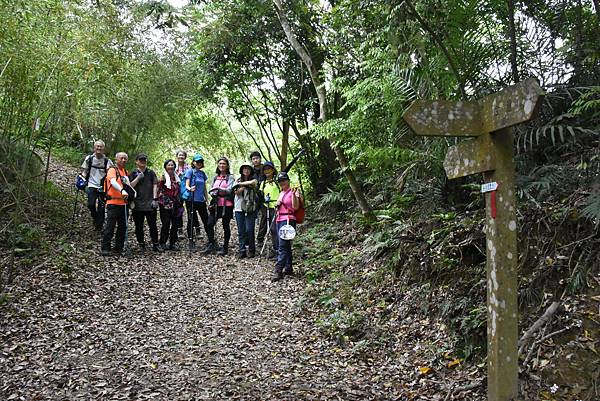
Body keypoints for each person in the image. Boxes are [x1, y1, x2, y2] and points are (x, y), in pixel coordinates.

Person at [272, 172, 303, 281]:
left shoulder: (293, 192)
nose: (282, 183)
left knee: (282, 245)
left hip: (288, 220)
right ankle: (288, 267)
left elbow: (295, 207)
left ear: (288, 180)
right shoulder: (281, 192)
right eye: (280, 181)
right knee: (286, 245)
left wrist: (294, 195)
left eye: (284, 180)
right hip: (279, 219)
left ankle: (279, 269)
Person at [128, 153, 162, 253]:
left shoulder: (151, 172)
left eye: (144, 160)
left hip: (150, 203)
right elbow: (130, 186)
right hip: (137, 204)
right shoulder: (133, 173)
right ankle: (141, 244)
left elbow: (155, 185)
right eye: (141, 160)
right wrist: (138, 178)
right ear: (136, 161)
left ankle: (155, 244)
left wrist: (155, 199)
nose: (143, 161)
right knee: (139, 226)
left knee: (153, 225)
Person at [101, 152, 130, 256]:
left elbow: (129, 186)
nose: (123, 160)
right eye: (121, 158)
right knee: (110, 226)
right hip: (113, 202)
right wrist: (122, 190)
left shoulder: (125, 172)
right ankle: (105, 247)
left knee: (123, 227)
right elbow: (113, 182)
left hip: (124, 204)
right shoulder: (112, 170)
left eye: (125, 158)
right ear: (116, 159)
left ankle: (119, 247)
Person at [80, 140, 113, 232]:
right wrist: (81, 178)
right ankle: (95, 218)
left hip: (103, 187)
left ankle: (99, 226)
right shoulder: (89, 158)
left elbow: (110, 173)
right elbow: (85, 171)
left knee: (101, 208)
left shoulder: (107, 161)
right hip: (91, 184)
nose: (99, 148)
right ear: (94, 148)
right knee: (90, 204)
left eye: (101, 147)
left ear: (104, 149)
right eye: (97, 146)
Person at [206, 157, 235, 255]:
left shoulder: (230, 177)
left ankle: (225, 247)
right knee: (209, 223)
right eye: (220, 164)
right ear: (218, 165)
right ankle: (212, 243)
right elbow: (211, 189)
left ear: (227, 166)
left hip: (227, 205)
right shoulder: (215, 177)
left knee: (225, 225)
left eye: (224, 164)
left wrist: (219, 190)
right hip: (216, 204)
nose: (222, 165)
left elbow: (230, 190)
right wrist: (214, 192)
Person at [184, 154, 211, 252]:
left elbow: (204, 188)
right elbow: (187, 185)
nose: (199, 163)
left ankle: (211, 240)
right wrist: (190, 188)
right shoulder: (190, 171)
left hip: (201, 200)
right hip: (191, 200)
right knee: (191, 220)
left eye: (200, 162)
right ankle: (191, 241)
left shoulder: (202, 174)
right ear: (193, 162)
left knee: (206, 220)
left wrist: (207, 201)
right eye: (197, 161)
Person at [233, 162, 258, 258]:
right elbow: (237, 192)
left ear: (251, 170)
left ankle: (252, 250)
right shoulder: (237, 180)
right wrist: (244, 186)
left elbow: (253, 183)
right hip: (239, 207)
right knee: (241, 230)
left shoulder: (254, 180)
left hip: (251, 207)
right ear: (241, 170)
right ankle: (242, 250)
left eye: (248, 169)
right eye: (244, 169)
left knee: (250, 229)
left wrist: (241, 184)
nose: (246, 170)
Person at [157, 159, 181, 251]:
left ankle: (172, 243)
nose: (170, 167)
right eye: (168, 165)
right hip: (164, 203)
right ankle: (162, 242)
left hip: (175, 202)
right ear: (165, 167)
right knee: (166, 223)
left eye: (172, 165)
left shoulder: (177, 177)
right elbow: (158, 189)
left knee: (175, 224)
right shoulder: (163, 178)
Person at [259, 161, 280, 259]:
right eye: (265, 169)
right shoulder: (263, 183)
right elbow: (260, 196)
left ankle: (279, 250)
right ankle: (276, 249)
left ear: (273, 170)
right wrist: (264, 200)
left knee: (276, 229)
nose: (267, 171)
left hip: (278, 207)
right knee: (271, 229)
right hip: (267, 208)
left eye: (269, 169)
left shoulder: (277, 181)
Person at [250, 151, 268, 246]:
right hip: (253, 197)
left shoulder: (265, 169)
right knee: (250, 217)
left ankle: (260, 238)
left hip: (264, 196)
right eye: (253, 159)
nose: (255, 160)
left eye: (257, 158)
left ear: (260, 159)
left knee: (265, 217)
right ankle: (249, 239)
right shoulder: (250, 170)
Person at [175, 150, 190, 238]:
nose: (181, 157)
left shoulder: (188, 167)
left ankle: (193, 228)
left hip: (186, 191)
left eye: (183, 155)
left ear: (185, 157)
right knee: (179, 211)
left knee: (190, 210)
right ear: (177, 156)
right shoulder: (173, 166)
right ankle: (179, 229)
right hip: (177, 192)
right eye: (179, 155)